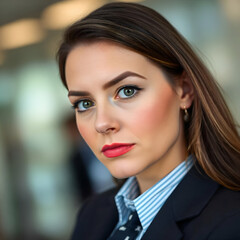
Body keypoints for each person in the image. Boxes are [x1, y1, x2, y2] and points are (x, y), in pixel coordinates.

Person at [57, 2, 240, 240]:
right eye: (85, 103)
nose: (102, 123)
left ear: (184, 90)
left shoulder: (231, 223)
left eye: (127, 91)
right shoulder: (92, 216)